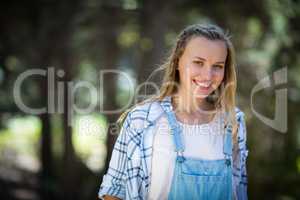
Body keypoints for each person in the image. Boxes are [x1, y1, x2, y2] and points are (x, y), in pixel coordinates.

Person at [98, 24, 248, 200]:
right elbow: (113, 193)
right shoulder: (143, 119)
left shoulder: (233, 121)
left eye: (217, 66)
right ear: (177, 61)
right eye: (198, 62)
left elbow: (239, 191)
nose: (208, 75)